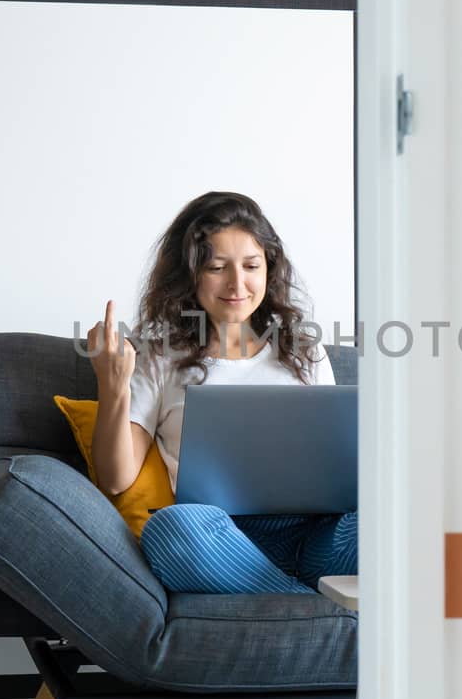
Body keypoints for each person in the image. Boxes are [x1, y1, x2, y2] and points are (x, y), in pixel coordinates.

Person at [85, 190, 357, 595]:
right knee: (170, 529)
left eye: (251, 265)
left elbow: (337, 463)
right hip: (215, 538)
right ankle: (316, 608)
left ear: (270, 269)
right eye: (217, 267)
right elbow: (115, 478)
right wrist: (113, 384)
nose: (237, 284)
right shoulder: (159, 355)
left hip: (316, 537)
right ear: (190, 274)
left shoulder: (304, 349)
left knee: (385, 517)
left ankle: (288, 603)